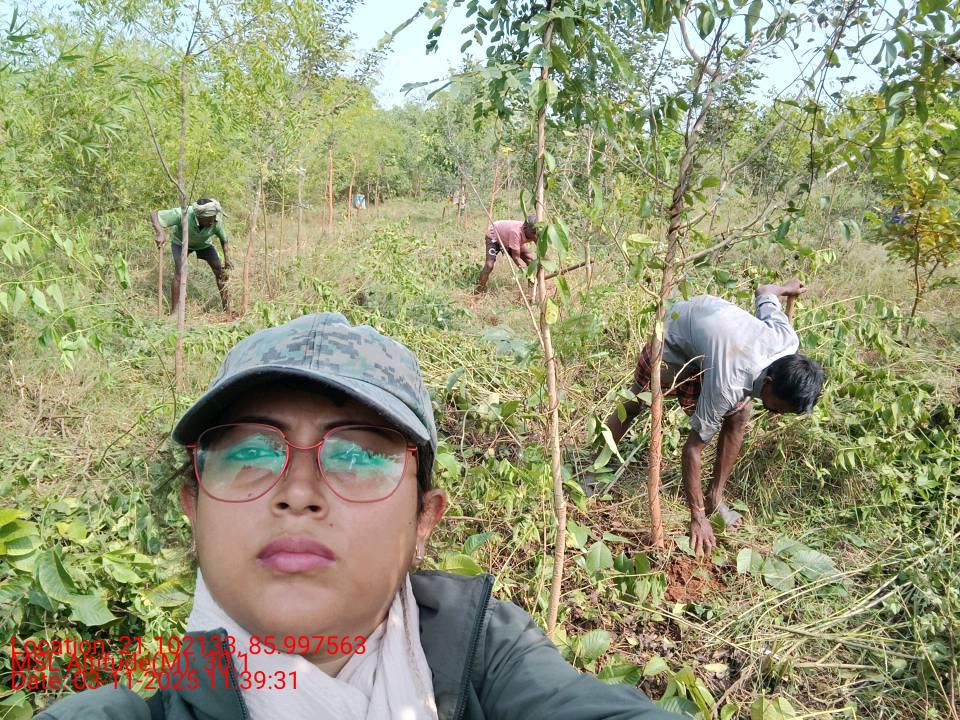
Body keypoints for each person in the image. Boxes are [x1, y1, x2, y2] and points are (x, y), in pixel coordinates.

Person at [37, 313, 682, 720]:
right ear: (193, 508)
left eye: (358, 457)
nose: (298, 492)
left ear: (424, 519)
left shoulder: (487, 653)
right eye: (252, 453)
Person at [587, 280, 824, 557]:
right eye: (781, 408)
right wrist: (696, 517)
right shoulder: (728, 383)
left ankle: (715, 497)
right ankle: (592, 469)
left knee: (740, 413)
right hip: (675, 337)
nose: (781, 414)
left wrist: (785, 289)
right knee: (636, 402)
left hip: (713, 335)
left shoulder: (786, 340)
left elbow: (765, 291)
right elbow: (692, 450)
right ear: (769, 384)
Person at [151, 198, 232, 315]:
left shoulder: (216, 220)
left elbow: (224, 240)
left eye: (214, 217)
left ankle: (227, 308)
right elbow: (155, 215)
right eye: (209, 218)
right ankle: (175, 313)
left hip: (204, 245)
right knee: (179, 272)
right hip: (181, 243)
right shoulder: (184, 214)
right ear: (199, 216)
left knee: (220, 272)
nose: (213, 221)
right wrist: (160, 233)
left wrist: (227, 259)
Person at [476, 215, 538, 292]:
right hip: (494, 236)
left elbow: (539, 248)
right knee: (489, 265)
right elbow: (516, 258)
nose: (535, 236)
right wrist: (526, 272)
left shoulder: (534, 231)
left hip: (509, 239)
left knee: (530, 260)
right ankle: (479, 291)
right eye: (533, 233)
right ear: (525, 228)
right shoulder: (516, 232)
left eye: (537, 233)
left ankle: (531, 289)